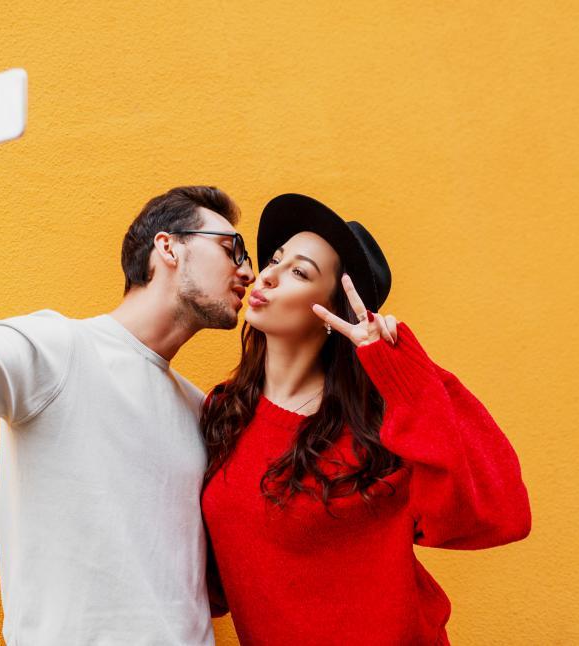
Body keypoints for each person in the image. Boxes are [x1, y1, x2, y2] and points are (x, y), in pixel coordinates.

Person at [0, 64, 255, 645]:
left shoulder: (198, 409)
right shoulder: (60, 352)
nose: (246, 268)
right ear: (168, 248)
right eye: (232, 247)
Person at [200, 193, 532, 645]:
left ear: (332, 311)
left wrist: (402, 370)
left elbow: (501, 514)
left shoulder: (379, 430)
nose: (270, 275)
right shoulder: (224, 413)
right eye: (275, 259)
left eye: (299, 272)